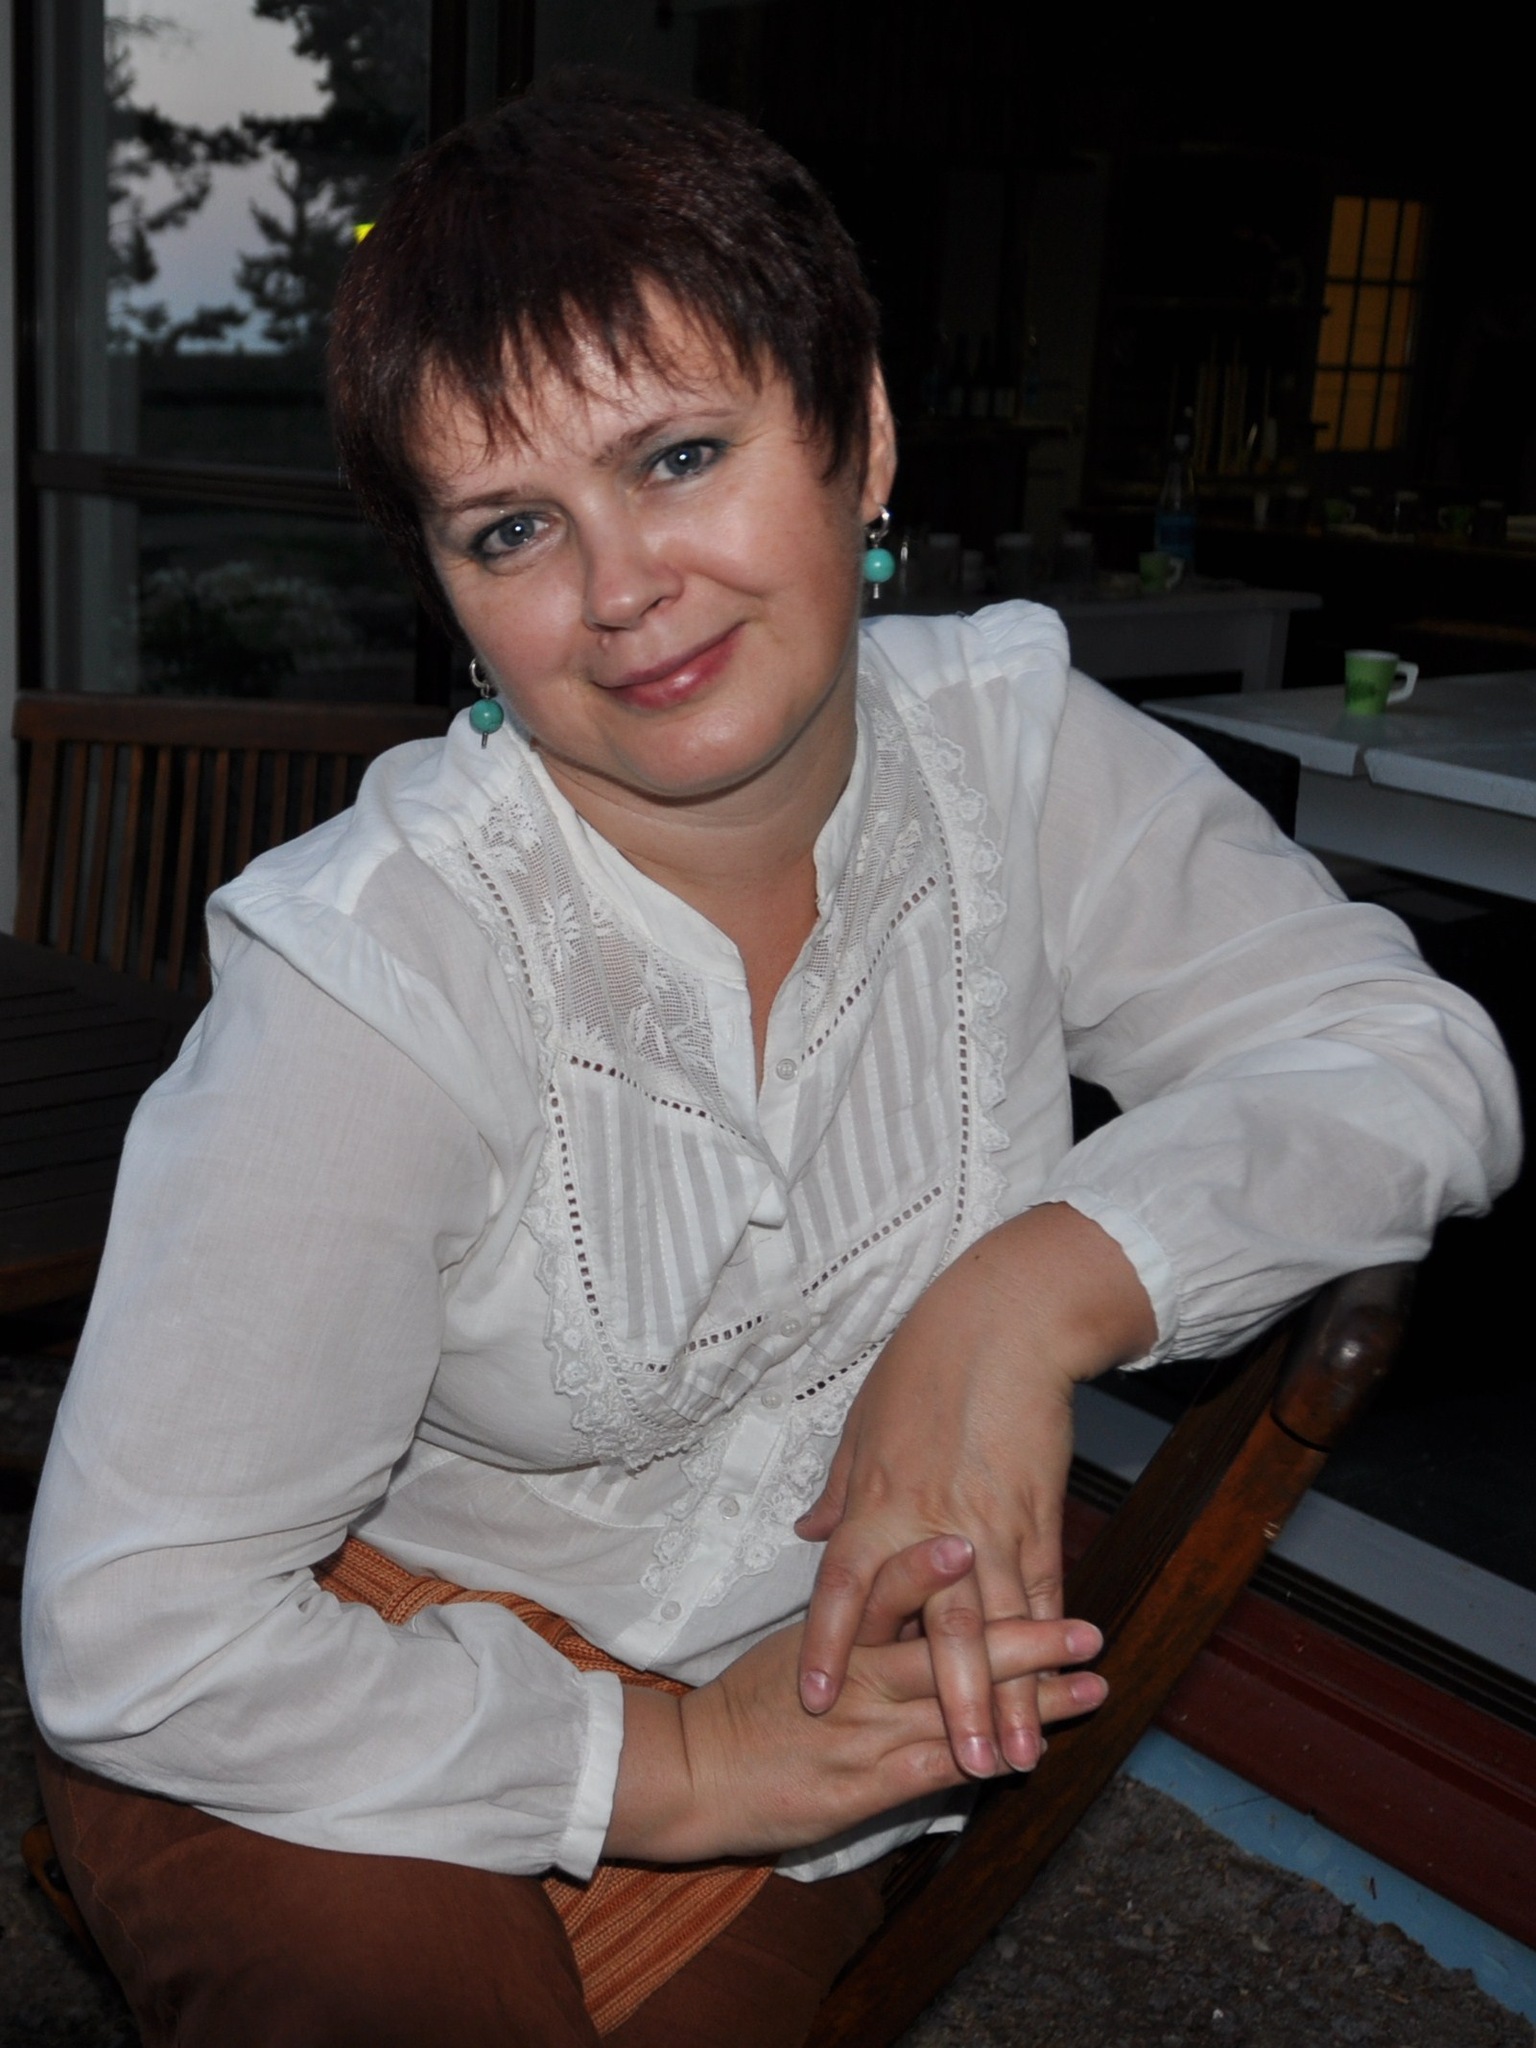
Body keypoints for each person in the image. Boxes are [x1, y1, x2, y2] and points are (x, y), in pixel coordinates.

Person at [24, 70, 1518, 2048]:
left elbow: (1410, 1054)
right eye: (512, 527)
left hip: (798, 1711)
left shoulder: (1014, 758)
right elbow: (137, 1632)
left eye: (681, 454)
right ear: (450, 594)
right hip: (312, 1694)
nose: (620, 589)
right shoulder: (379, 965)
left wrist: (1022, 1298)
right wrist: (678, 1761)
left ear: (861, 435)